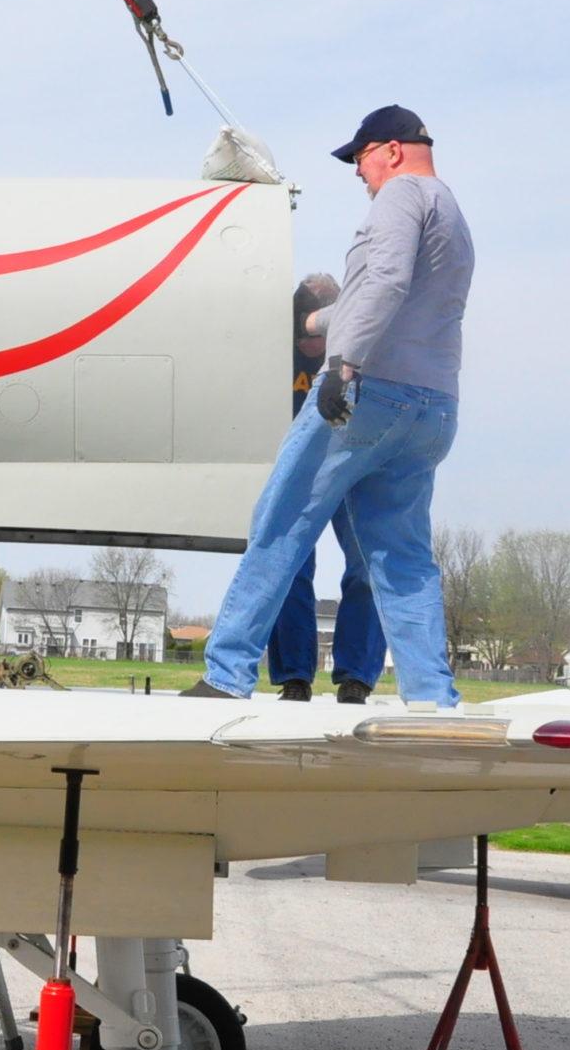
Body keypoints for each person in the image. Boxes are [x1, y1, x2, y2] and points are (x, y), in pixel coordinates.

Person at [200, 105, 473, 708]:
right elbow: (398, 297)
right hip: (434, 409)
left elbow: (385, 282)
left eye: (361, 156)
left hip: (371, 393)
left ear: (393, 150)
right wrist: (312, 322)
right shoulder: (451, 212)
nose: (357, 171)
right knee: (402, 559)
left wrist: (343, 361)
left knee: (281, 522)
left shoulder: (401, 194)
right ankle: (432, 698)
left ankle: (226, 675)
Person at [265, 273, 385, 704]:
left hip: (353, 469)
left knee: (366, 566)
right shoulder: (274, 357)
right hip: (298, 472)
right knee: (288, 566)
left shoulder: (361, 352)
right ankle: (294, 677)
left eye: (318, 328)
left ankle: (356, 677)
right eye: (303, 327)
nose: (309, 340)